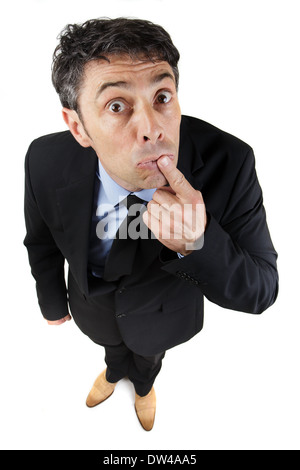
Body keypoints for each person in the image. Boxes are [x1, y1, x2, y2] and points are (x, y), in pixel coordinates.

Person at [23, 18, 278, 431]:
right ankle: (111, 372)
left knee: (147, 361)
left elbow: (262, 290)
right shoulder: (44, 159)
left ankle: (143, 387)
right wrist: (51, 303)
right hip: (92, 304)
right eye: (117, 106)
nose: (153, 130)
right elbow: (41, 240)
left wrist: (199, 241)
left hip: (163, 315)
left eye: (162, 96)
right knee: (111, 349)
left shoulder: (230, 162)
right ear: (78, 127)